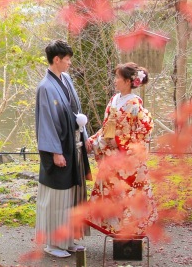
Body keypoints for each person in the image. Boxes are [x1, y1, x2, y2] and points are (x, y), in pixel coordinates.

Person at [35, 40, 92, 258]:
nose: (69, 63)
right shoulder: (45, 87)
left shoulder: (66, 79)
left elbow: (77, 113)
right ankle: (53, 243)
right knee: (57, 197)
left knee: (72, 195)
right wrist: (55, 152)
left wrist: (84, 135)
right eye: (67, 59)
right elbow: (46, 123)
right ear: (56, 59)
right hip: (59, 149)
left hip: (74, 145)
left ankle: (68, 239)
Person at [86, 62, 157, 235]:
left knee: (127, 195)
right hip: (112, 157)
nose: (115, 80)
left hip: (126, 159)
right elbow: (106, 127)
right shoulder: (114, 99)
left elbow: (145, 128)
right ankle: (117, 231)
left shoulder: (134, 103)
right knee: (114, 194)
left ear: (127, 81)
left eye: (118, 77)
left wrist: (121, 141)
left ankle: (130, 233)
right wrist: (93, 139)